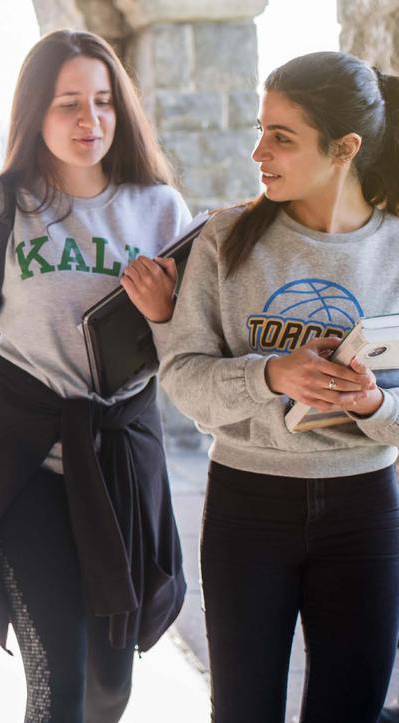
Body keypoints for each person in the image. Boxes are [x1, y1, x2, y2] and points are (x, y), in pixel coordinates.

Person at [0, 29, 191, 722]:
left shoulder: (161, 210)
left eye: (103, 102)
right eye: (68, 105)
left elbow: (190, 352)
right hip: (24, 462)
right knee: (58, 681)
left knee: (111, 686)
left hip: (119, 461)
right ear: (35, 113)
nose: (90, 122)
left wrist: (169, 315)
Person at [154, 51, 399, 722]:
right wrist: (271, 373)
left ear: (344, 148)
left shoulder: (395, 250)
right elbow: (183, 377)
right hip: (247, 505)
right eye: (260, 129)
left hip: (366, 510)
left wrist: (375, 404)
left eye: (281, 136)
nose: (258, 149)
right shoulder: (225, 240)